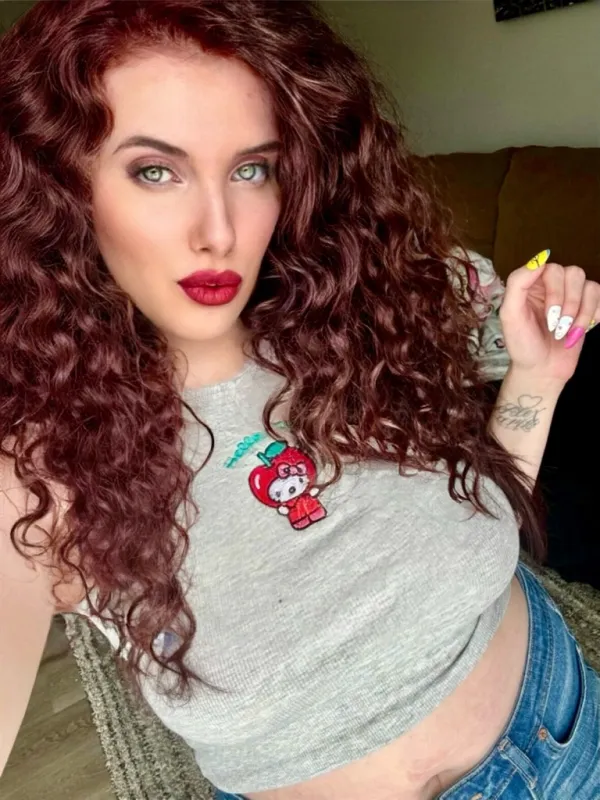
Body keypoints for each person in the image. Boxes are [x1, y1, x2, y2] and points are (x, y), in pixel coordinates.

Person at [1, 2, 599, 798]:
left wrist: (538, 377)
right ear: (62, 187)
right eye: (155, 170)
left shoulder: (361, 323)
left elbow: (485, 517)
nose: (219, 231)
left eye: (252, 169)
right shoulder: (39, 461)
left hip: (563, 730)